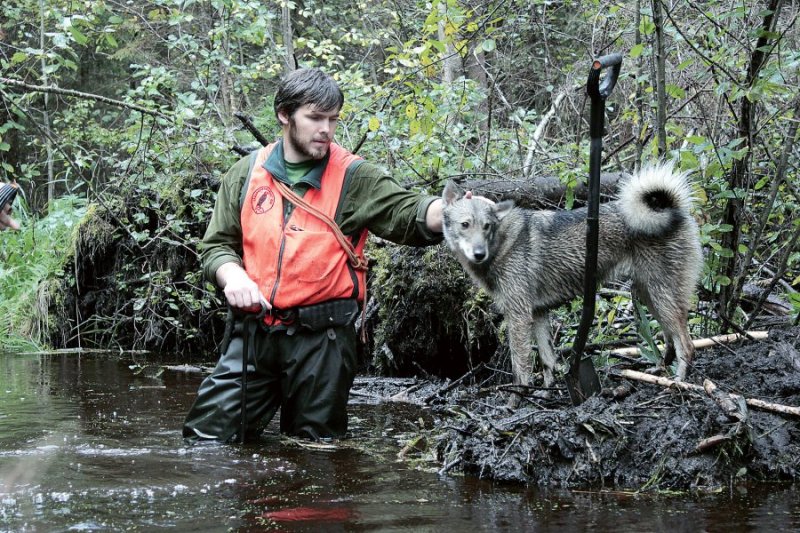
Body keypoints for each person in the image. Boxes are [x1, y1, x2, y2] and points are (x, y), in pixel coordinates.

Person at [183, 68, 464, 444]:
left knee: (314, 453)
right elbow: (217, 246)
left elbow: (406, 210)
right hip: (254, 335)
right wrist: (233, 276)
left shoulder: (355, 177)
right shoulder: (246, 173)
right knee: (205, 441)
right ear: (285, 115)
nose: (325, 130)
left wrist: (450, 213)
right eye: (315, 117)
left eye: (332, 120)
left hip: (323, 342)